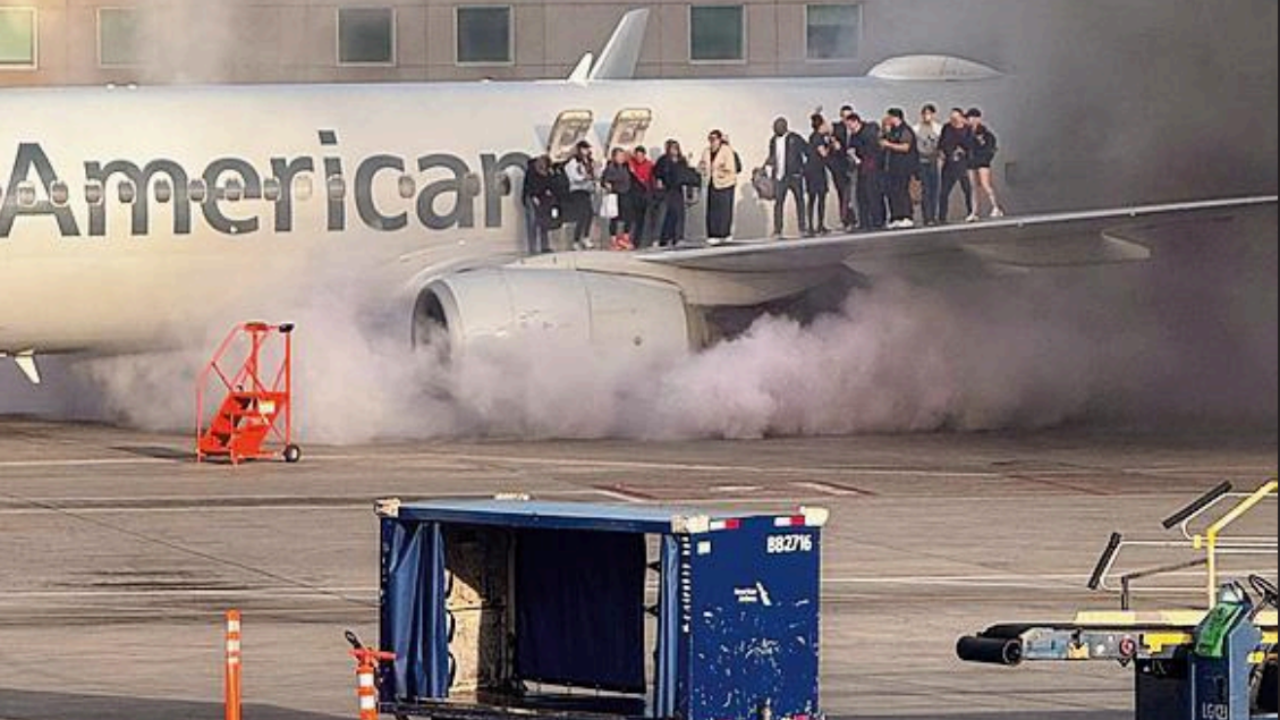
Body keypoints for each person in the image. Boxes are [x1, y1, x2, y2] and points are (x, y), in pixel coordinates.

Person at [764, 117, 808, 238]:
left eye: (778, 127)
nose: (775, 130)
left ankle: (802, 228)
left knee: (799, 201)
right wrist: (768, 167)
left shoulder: (795, 138)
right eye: (774, 128)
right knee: (778, 202)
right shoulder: (773, 140)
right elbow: (772, 155)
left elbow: (807, 151)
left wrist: (802, 169)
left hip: (794, 175)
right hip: (780, 176)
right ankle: (778, 230)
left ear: (785, 127)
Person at [698, 129, 740, 244]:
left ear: (719, 140)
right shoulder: (706, 151)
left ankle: (724, 233)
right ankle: (712, 233)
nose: (712, 141)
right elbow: (702, 164)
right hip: (712, 183)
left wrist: (720, 171)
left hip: (725, 183)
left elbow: (731, 167)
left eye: (714, 139)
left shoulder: (727, 150)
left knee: (725, 210)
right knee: (712, 209)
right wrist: (702, 170)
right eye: (710, 139)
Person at [879, 108, 919, 229]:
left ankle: (907, 216)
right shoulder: (892, 131)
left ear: (897, 118)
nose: (889, 119)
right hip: (892, 167)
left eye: (890, 117)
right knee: (893, 192)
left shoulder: (905, 130)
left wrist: (889, 145)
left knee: (902, 191)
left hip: (904, 166)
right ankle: (896, 216)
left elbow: (905, 147)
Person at [844, 113, 884, 231]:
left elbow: (873, 151)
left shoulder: (868, 133)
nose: (849, 127)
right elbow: (851, 149)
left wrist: (862, 160)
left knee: (873, 194)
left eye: (850, 124)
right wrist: (852, 156)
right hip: (861, 169)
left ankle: (877, 221)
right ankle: (864, 222)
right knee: (861, 196)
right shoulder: (853, 136)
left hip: (871, 168)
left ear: (856, 122)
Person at [965, 108, 1004, 219]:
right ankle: (974, 211)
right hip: (971, 162)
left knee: (985, 184)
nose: (971, 120)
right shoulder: (967, 133)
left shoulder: (985, 133)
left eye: (973, 117)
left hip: (982, 162)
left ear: (978, 118)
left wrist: (985, 158)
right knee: (973, 187)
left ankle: (996, 207)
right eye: (969, 118)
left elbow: (990, 147)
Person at [937, 107, 974, 223]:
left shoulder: (967, 129)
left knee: (967, 189)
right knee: (944, 191)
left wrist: (963, 151)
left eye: (956, 118)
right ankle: (942, 217)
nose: (954, 120)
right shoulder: (947, 128)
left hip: (962, 163)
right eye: (952, 118)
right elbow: (942, 144)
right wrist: (947, 153)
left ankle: (971, 212)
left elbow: (970, 145)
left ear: (961, 118)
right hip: (949, 163)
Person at [653, 139, 693, 247]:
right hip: (666, 190)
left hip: (678, 189)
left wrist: (690, 194)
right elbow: (656, 173)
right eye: (671, 148)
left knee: (678, 215)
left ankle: (678, 237)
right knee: (666, 215)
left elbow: (687, 176)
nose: (674, 150)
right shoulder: (663, 160)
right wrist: (659, 182)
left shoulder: (682, 160)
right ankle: (664, 238)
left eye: (676, 148)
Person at [804, 113, 834, 235]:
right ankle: (817, 225)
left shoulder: (813, 136)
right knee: (819, 198)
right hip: (816, 171)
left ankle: (813, 225)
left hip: (811, 170)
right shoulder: (818, 137)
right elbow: (824, 153)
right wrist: (831, 145)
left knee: (813, 198)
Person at [564, 140, 597, 248]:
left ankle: (585, 236)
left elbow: (593, 173)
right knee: (582, 214)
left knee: (589, 214)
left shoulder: (588, 161)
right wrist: (583, 178)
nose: (587, 151)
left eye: (587, 149)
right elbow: (572, 175)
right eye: (584, 149)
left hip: (587, 189)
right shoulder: (573, 162)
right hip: (577, 190)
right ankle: (576, 239)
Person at [914, 103, 943, 226]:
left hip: (934, 161)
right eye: (925, 114)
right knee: (925, 189)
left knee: (934, 189)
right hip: (921, 161)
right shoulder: (916, 129)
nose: (927, 116)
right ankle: (927, 216)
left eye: (929, 114)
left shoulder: (938, 128)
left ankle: (934, 214)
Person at [521, 154, 556, 254]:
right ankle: (532, 248)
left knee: (544, 221)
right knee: (532, 222)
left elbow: (548, 184)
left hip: (542, 198)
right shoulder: (531, 171)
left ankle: (545, 246)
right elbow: (529, 186)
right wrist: (533, 197)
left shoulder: (547, 172)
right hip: (531, 197)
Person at [600, 147, 634, 248]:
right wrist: (608, 185)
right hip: (616, 194)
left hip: (626, 194)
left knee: (628, 216)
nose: (621, 158)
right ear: (614, 157)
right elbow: (604, 180)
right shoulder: (611, 168)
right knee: (614, 217)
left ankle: (625, 237)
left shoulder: (625, 167)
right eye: (619, 156)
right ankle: (614, 240)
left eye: (622, 156)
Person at [830, 105, 857, 230]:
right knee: (843, 194)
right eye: (845, 117)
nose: (847, 120)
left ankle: (854, 219)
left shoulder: (856, 127)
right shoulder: (836, 128)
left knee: (853, 194)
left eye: (849, 116)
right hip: (840, 167)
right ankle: (845, 220)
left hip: (854, 166)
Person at [627, 146, 656, 247]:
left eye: (641, 155)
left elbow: (649, 179)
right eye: (637, 155)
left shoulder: (649, 165)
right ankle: (629, 240)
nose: (639, 158)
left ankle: (637, 241)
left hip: (644, 193)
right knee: (632, 219)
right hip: (633, 194)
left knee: (641, 220)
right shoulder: (631, 163)